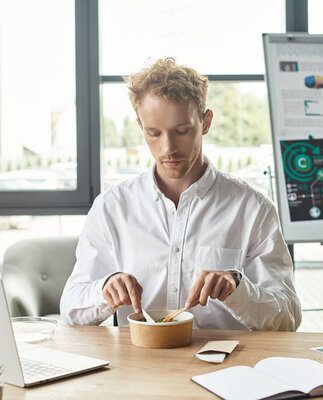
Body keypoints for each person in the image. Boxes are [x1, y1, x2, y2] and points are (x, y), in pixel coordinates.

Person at [60, 58, 301, 331]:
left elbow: (288, 317)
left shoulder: (253, 209)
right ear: (141, 126)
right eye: (154, 133)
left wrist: (238, 288)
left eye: (182, 131)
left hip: (223, 367)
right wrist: (104, 290)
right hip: (138, 367)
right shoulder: (111, 207)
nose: (168, 148)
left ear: (205, 122)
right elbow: (70, 307)